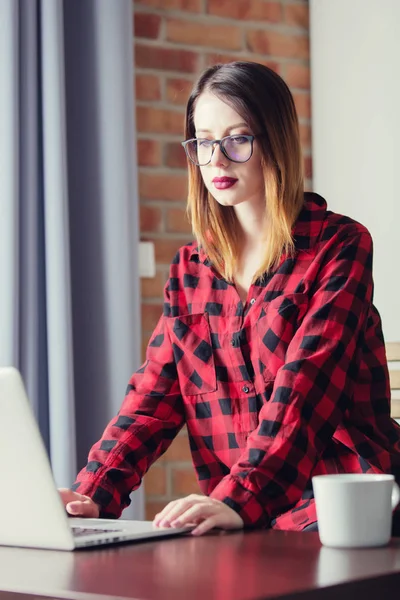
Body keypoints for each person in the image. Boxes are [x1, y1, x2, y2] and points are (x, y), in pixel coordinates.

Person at [59, 61, 400, 536]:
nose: (217, 160)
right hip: (242, 520)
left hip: (344, 512)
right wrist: (91, 494)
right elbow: (153, 398)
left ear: (275, 140)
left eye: (238, 139)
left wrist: (243, 498)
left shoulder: (339, 245)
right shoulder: (190, 271)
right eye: (203, 142)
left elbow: (304, 387)